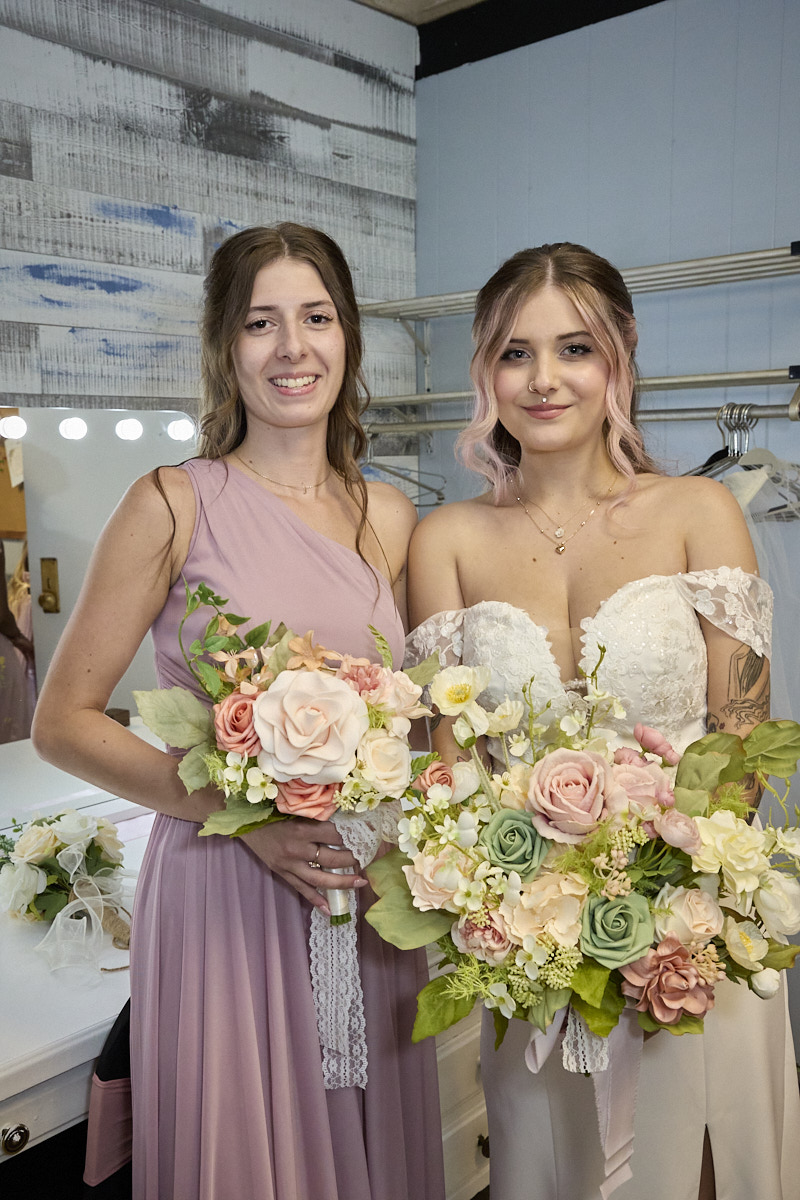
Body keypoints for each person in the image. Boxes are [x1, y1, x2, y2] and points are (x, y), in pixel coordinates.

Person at [33, 223, 445, 1200]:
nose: (292, 347)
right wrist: (247, 819)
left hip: (364, 888)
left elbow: (418, 718)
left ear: (347, 336)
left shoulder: (388, 516)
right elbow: (63, 721)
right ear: (225, 346)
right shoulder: (172, 503)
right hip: (227, 887)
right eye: (261, 323)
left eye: (316, 318)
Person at [407, 242, 800, 1200]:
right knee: (554, 1168)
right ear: (485, 370)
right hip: (528, 944)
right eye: (515, 353)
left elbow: (741, 744)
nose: (544, 379)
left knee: (698, 1163)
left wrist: (657, 897)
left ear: (620, 352)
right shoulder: (444, 538)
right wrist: (533, 914)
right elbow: (447, 770)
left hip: (692, 928)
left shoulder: (700, 510)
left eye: (573, 348)